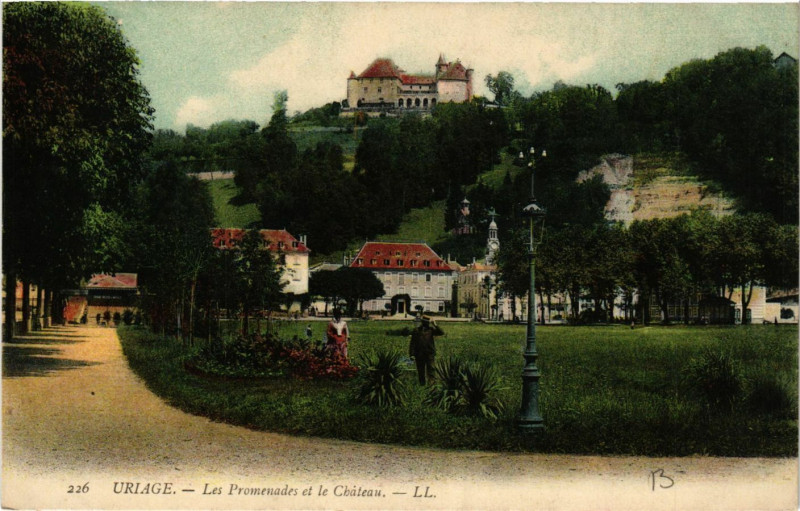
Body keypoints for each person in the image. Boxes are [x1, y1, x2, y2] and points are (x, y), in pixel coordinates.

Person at [409, 315, 445, 385]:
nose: (426, 324)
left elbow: (441, 332)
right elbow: (412, 343)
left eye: (427, 322)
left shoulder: (431, 330)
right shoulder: (416, 330)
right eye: (424, 322)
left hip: (429, 354)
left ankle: (431, 385)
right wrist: (411, 354)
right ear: (422, 322)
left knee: (431, 370)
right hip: (419, 354)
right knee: (421, 371)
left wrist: (435, 324)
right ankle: (422, 385)